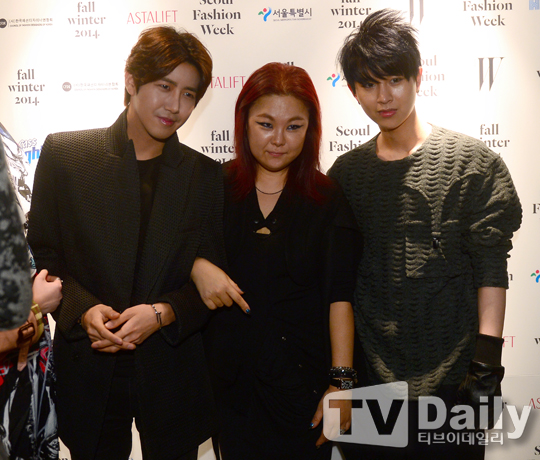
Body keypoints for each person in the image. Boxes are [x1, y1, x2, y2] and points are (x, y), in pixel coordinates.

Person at [328, 9, 522, 459]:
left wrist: (486, 364)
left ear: (418, 76)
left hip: (455, 382)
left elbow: (491, 268)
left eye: (394, 80)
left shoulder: (474, 164)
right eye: (369, 84)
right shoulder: (346, 175)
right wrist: (343, 378)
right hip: (372, 382)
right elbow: (339, 282)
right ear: (353, 91)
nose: (384, 96)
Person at [27, 26, 226, 460]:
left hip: (172, 373)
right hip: (90, 367)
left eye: (189, 94)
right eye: (164, 86)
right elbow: (44, 256)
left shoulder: (206, 176)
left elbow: (213, 283)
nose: (175, 106)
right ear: (131, 81)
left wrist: (163, 313)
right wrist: (84, 310)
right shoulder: (66, 156)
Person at [190, 62, 361, 460]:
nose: (279, 140)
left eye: (294, 126)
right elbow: (171, 256)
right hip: (230, 388)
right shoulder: (213, 188)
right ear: (244, 122)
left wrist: (342, 384)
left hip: (303, 386)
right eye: (266, 124)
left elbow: (340, 296)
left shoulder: (327, 197)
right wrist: (196, 266)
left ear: (311, 129)